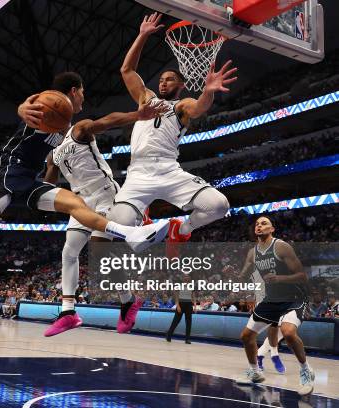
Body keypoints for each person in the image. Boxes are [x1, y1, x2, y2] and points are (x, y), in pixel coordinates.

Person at [0, 72, 172, 282]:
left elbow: (93, 126)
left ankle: (129, 233)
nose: (85, 97)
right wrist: (23, 108)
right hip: (13, 167)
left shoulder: (66, 121)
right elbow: (30, 107)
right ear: (74, 90)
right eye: (83, 91)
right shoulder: (52, 103)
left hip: (30, 176)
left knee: (75, 203)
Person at [107, 13, 236, 256]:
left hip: (168, 170)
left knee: (219, 206)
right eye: (162, 80)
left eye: (171, 79)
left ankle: (182, 229)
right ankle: (141, 219)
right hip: (138, 174)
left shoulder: (181, 105)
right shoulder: (147, 98)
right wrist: (143, 35)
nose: (164, 83)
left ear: (182, 85)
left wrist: (208, 91)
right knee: (118, 225)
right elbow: (126, 70)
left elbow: (199, 108)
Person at [43, 100, 169, 337]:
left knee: (99, 253)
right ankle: (68, 312)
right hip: (80, 201)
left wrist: (138, 115)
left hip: (104, 194)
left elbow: (105, 122)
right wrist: (49, 165)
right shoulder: (53, 153)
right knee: (68, 252)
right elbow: (48, 187)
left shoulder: (78, 129)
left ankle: (128, 300)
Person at [235, 216, 314, 396]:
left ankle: (306, 371)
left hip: (293, 298)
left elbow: (302, 275)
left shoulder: (281, 246)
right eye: (257, 224)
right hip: (272, 299)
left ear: (272, 229)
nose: (259, 226)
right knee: (246, 336)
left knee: (288, 332)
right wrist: (234, 276)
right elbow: (243, 274)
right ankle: (256, 373)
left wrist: (280, 278)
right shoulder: (252, 252)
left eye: (264, 223)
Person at [166, 274, 196, 344]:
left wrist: (194, 306)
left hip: (189, 305)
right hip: (181, 304)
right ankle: (169, 335)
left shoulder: (192, 286)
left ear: (189, 278)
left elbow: (193, 297)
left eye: (187, 277)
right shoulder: (179, 286)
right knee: (176, 321)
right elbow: (176, 297)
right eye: (185, 277)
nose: (186, 278)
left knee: (189, 322)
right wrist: (178, 306)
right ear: (183, 278)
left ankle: (187, 339)